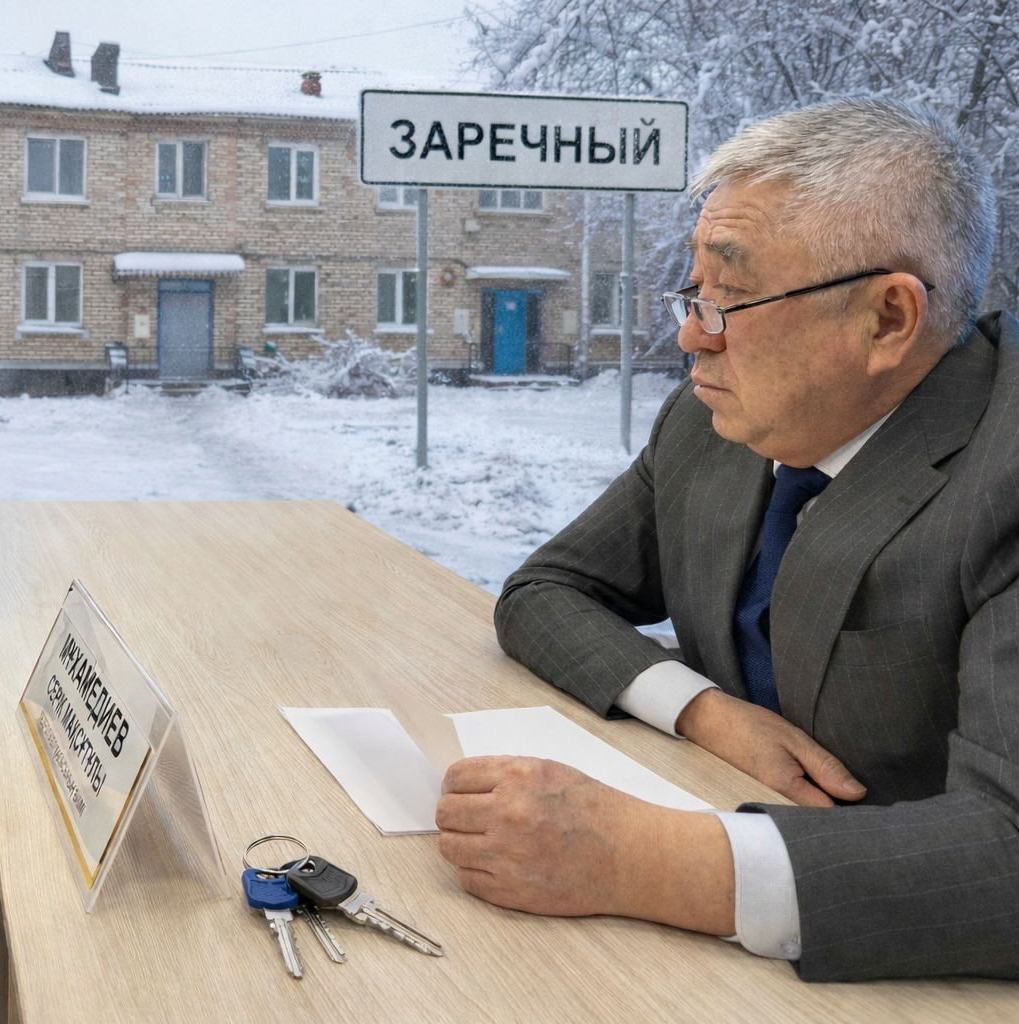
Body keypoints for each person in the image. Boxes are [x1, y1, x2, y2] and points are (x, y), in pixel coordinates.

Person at [435, 98, 1019, 982]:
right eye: (695, 292)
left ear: (889, 320)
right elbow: (546, 591)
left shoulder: (1003, 469)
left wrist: (637, 858)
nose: (690, 335)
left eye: (733, 298)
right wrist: (710, 715)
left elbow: (1005, 851)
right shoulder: (714, 424)